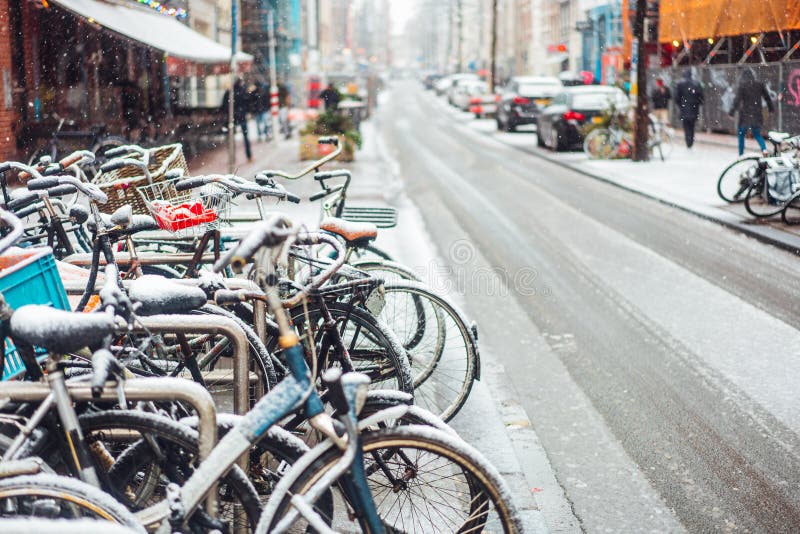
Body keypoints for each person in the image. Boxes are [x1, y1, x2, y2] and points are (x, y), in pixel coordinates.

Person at [729, 68, 773, 156]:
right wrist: (771, 108)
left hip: (745, 114)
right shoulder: (759, 85)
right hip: (757, 113)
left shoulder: (742, 86)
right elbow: (767, 97)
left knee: (741, 134)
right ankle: (764, 149)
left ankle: (741, 154)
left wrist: (731, 112)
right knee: (757, 134)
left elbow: (737, 100)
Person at [221, 78, 252, 161]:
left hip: (232, 117)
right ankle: (249, 156)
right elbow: (248, 103)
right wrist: (246, 111)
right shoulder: (243, 91)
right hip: (242, 116)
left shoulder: (229, 92)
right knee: (245, 137)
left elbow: (224, 105)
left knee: (231, 137)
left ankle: (232, 157)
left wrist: (229, 113)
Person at [675, 70, 704, 148]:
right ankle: (691, 141)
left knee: (686, 126)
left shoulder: (680, 84)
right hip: (694, 109)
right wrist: (697, 103)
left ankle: (688, 141)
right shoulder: (697, 84)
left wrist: (681, 105)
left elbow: (677, 98)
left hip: (684, 109)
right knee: (692, 126)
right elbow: (701, 97)